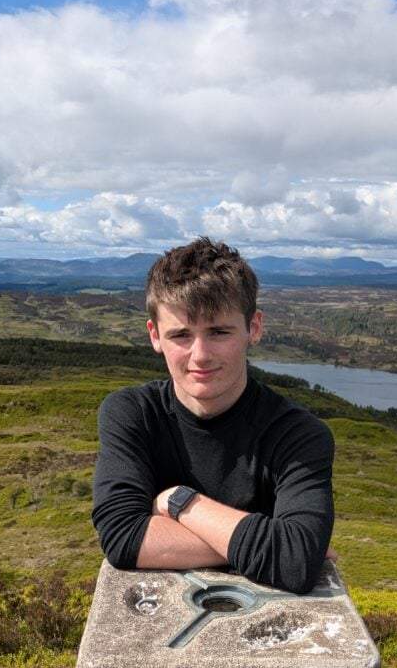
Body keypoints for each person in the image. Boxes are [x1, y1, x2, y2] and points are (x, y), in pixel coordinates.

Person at [91, 237, 335, 594]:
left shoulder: (299, 434)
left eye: (219, 332)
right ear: (154, 336)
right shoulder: (132, 414)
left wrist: (179, 501)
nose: (200, 355)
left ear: (254, 327)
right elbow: (122, 537)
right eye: (181, 335)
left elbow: (295, 562)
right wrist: (272, 544)